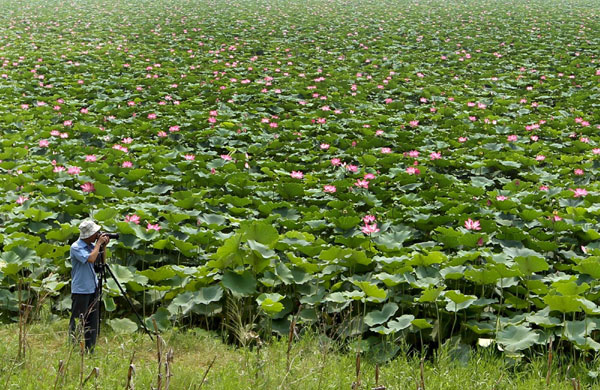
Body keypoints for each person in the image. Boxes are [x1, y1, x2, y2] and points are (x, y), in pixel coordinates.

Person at [69, 219, 110, 352]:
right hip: (81, 289)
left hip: (93, 287)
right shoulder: (76, 247)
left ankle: (90, 348)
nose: (98, 235)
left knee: (92, 321)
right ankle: (73, 347)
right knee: (77, 319)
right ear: (89, 235)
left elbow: (101, 263)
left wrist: (103, 247)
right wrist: (98, 244)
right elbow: (90, 259)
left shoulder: (93, 247)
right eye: (96, 233)